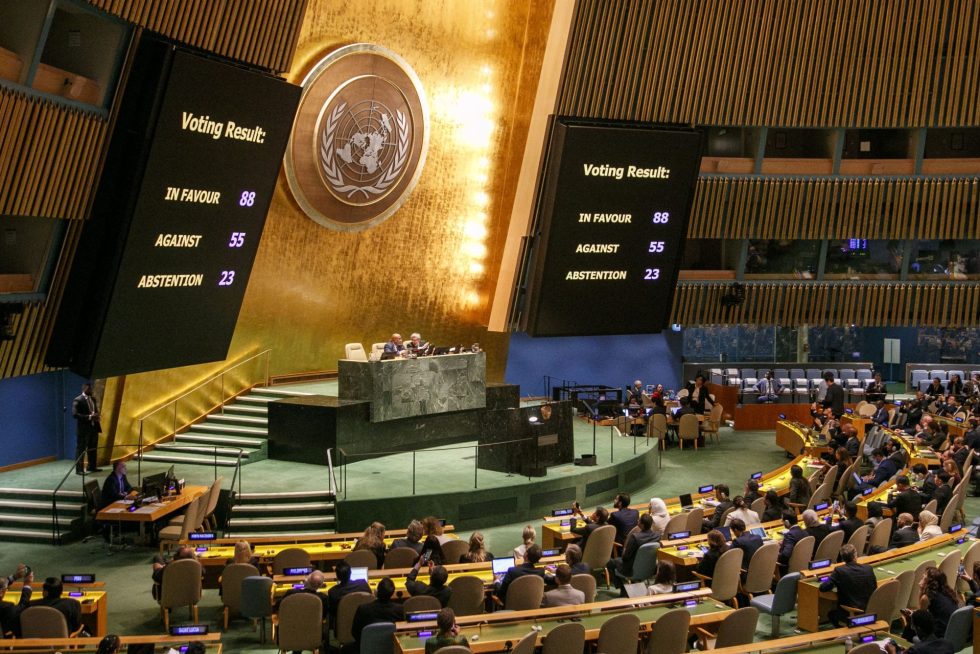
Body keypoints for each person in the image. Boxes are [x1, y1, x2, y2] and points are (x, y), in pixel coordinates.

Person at [819, 544, 877, 627]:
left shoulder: (840, 571)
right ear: (855, 555)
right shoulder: (868, 568)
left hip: (850, 612)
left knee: (831, 614)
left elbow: (823, 588)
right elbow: (874, 587)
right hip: (869, 608)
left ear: (842, 558)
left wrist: (833, 580)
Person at [606, 512, 658, 593]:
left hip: (632, 569)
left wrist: (624, 550)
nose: (637, 521)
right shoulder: (657, 536)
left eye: (639, 520)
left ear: (642, 525)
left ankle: (623, 589)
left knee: (610, 562)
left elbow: (625, 557)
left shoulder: (635, 537)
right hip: (650, 568)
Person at [904, 567, 960, 641]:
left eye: (923, 578)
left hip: (939, 636)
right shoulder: (947, 593)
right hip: (952, 632)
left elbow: (920, 619)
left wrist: (921, 590)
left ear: (928, 583)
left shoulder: (926, 598)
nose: (920, 581)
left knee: (910, 627)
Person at [351, 577, 404, 649]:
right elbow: (401, 633)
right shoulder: (400, 610)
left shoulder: (363, 609)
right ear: (392, 593)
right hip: (391, 648)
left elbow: (355, 633)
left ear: (377, 591)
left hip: (367, 647)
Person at [887, 609, 955, 654]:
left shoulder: (916, 650)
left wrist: (892, 651)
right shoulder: (948, 644)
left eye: (913, 627)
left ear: (918, 629)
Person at [327, 562, 371, 627]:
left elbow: (333, 613)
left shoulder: (333, 592)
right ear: (351, 573)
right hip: (364, 622)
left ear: (337, 576)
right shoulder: (363, 584)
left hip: (343, 625)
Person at [72, 382, 101, 474]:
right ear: (85, 389)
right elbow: (75, 414)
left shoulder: (93, 399)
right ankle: (79, 469)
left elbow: (94, 411)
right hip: (83, 430)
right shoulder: (78, 400)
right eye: (90, 389)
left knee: (93, 448)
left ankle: (91, 467)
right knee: (81, 450)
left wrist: (96, 416)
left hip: (94, 428)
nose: (91, 390)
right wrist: (89, 417)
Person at [0, 565, 33, 638]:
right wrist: (27, 585)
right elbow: (23, 606)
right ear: (1, 592)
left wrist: (15, 576)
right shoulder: (6, 607)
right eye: (7, 589)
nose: (7, 589)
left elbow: (2, 584)